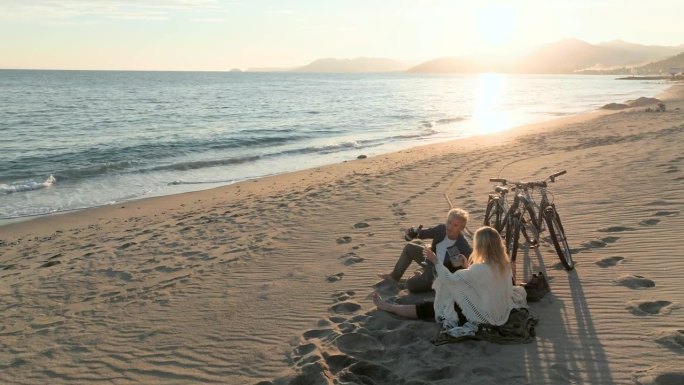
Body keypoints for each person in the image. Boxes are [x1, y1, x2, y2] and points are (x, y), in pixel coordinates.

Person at [373, 226, 527, 334]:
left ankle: (388, 307)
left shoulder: (480, 269)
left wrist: (435, 261)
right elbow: (481, 281)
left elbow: (449, 279)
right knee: (452, 282)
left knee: (431, 306)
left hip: (484, 314)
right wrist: (466, 265)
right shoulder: (504, 265)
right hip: (496, 308)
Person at [377, 208, 472, 293]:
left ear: (461, 228)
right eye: (449, 222)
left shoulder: (462, 245)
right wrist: (413, 232)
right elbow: (422, 233)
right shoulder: (441, 229)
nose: (450, 227)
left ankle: (424, 278)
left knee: (411, 285)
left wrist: (436, 260)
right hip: (429, 260)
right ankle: (394, 276)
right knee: (409, 247)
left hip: (438, 274)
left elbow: (458, 268)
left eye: (455, 225)